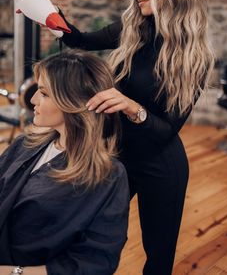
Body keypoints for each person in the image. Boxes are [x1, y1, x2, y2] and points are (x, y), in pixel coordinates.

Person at [59, 0, 215, 275]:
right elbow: (81, 39)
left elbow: (167, 130)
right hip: (120, 154)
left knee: (158, 259)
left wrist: (132, 108)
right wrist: (49, 16)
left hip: (162, 165)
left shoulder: (193, 56)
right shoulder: (132, 29)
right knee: (84, 230)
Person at [0, 50, 130, 275]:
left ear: (73, 101)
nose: (32, 100)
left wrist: (13, 272)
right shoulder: (26, 143)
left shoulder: (107, 175)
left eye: (43, 93)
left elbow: (95, 261)